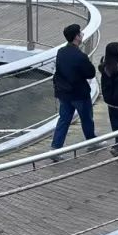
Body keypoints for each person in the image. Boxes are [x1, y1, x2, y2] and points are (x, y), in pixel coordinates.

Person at [51, 23, 97, 160]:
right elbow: (91, 73)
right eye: (80, 33)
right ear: (76, 37)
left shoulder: (61, 52)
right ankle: (91, 141)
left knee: (64, 119)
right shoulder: (80, 56)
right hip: (79, 94)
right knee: (86, 118)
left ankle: (55, 148)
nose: (82, 35)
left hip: (64, 93)